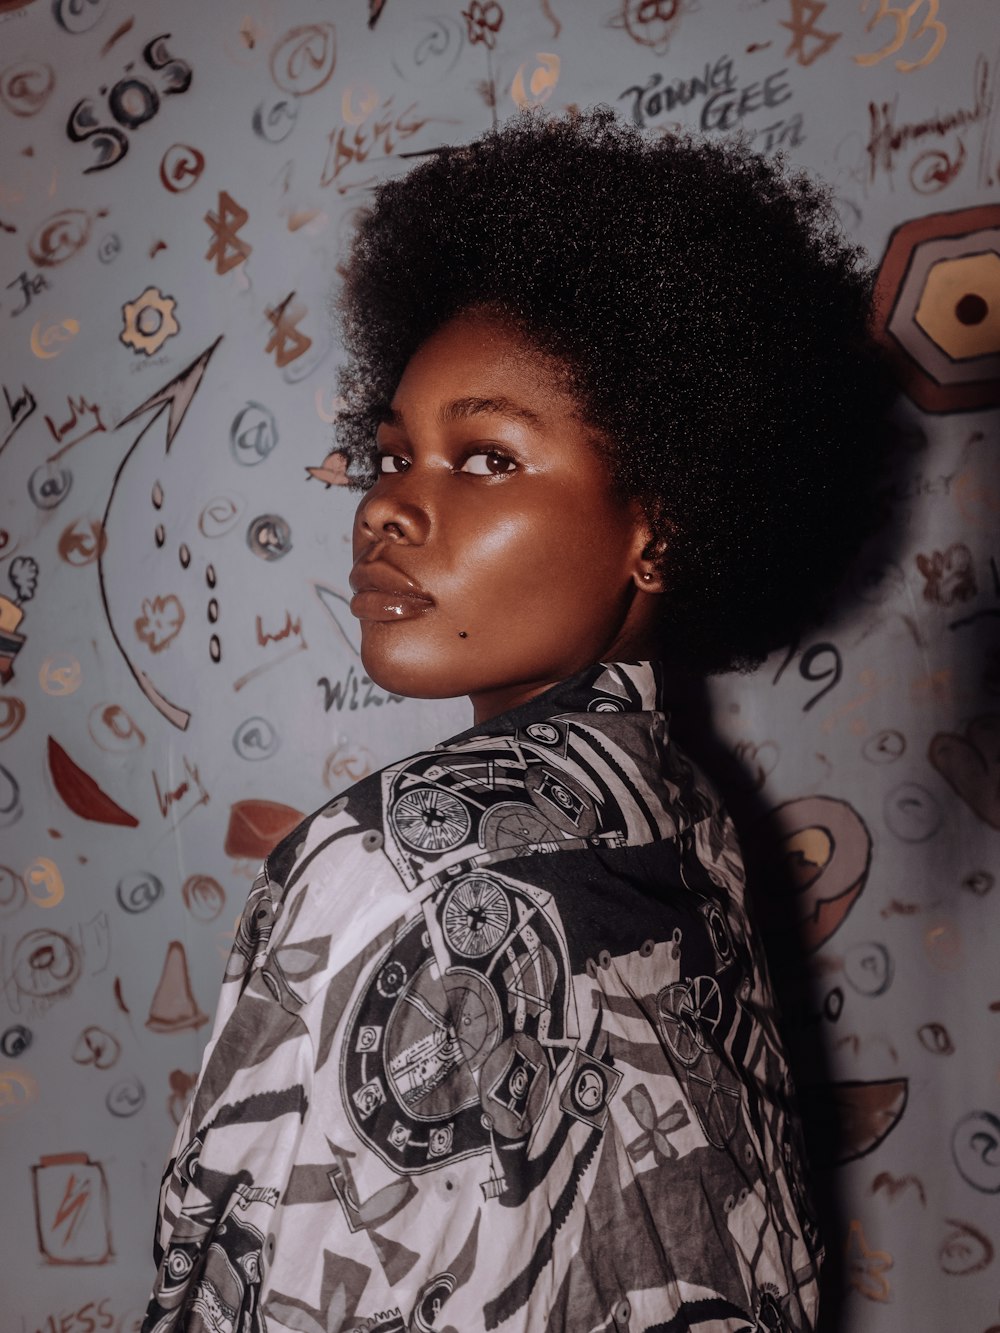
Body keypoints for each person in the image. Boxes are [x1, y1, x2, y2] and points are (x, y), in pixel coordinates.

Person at [142, 110, 888, 1333]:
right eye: (390, 452)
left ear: (661, 526)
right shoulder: (687, 815)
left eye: (484, 458)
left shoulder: (385, 861)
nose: (388, 506)